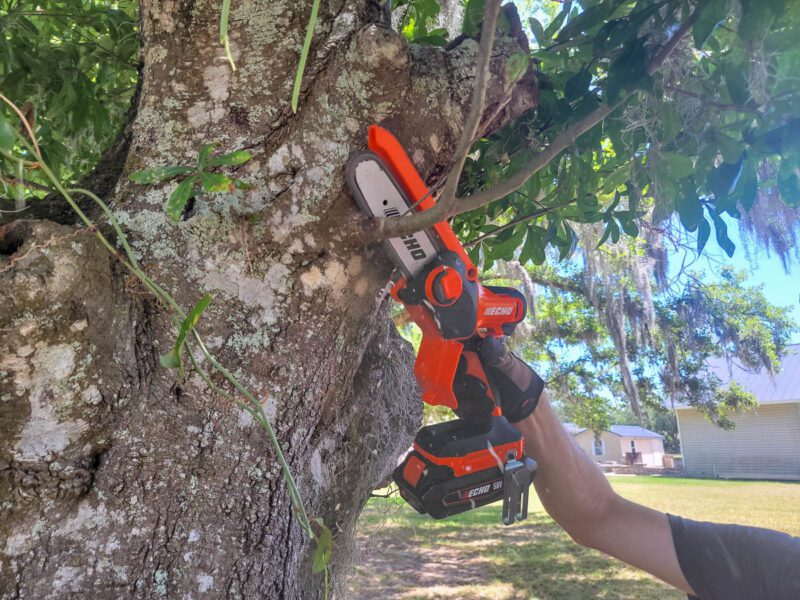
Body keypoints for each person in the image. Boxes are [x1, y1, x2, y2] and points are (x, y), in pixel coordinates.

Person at [474, 338, 800, 600]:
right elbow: (597, 516)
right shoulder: (775, 568)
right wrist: (519, 386)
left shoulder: (773, 568)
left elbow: (598, 517)